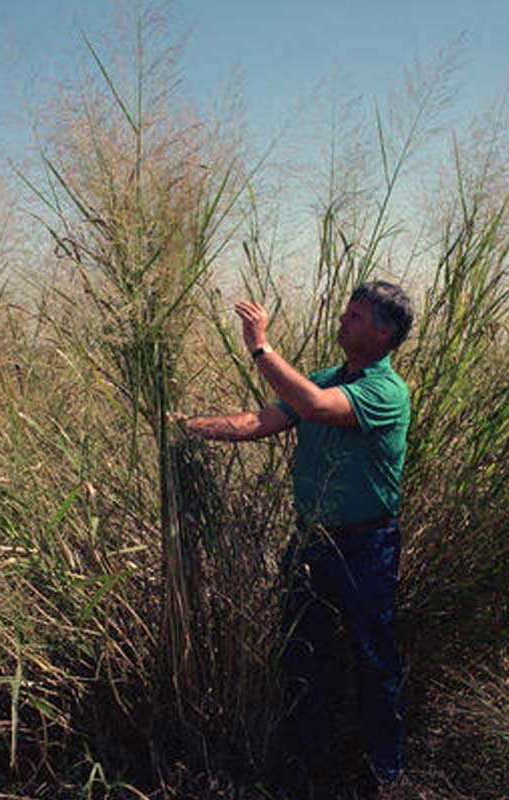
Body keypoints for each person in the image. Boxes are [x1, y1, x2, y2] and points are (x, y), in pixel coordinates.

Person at [180, 280, 414, 797]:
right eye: (346, 312)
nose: (343, 320)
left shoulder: (385, 391)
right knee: (302, 652)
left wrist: (260, 345)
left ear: (384, 332)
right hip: (310, 543)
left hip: (365, 548)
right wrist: (189, 426)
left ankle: (386, 773)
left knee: (372, 658)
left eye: (355, 316)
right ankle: (310, 759)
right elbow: (259, 421)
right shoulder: (325, 377)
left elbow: (311, 406)